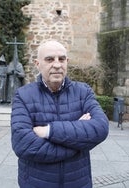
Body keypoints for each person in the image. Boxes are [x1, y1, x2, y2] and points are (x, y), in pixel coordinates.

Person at [11, 40, 109, 188]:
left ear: (67, 62)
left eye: (61, 59)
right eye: (49, 59)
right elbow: (23, 145)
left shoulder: (83, 92)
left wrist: (49, 131)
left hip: (78, 182)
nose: (57, 64)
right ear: (37, 64)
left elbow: (101, 128)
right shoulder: (23, 96)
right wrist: (78, 140)